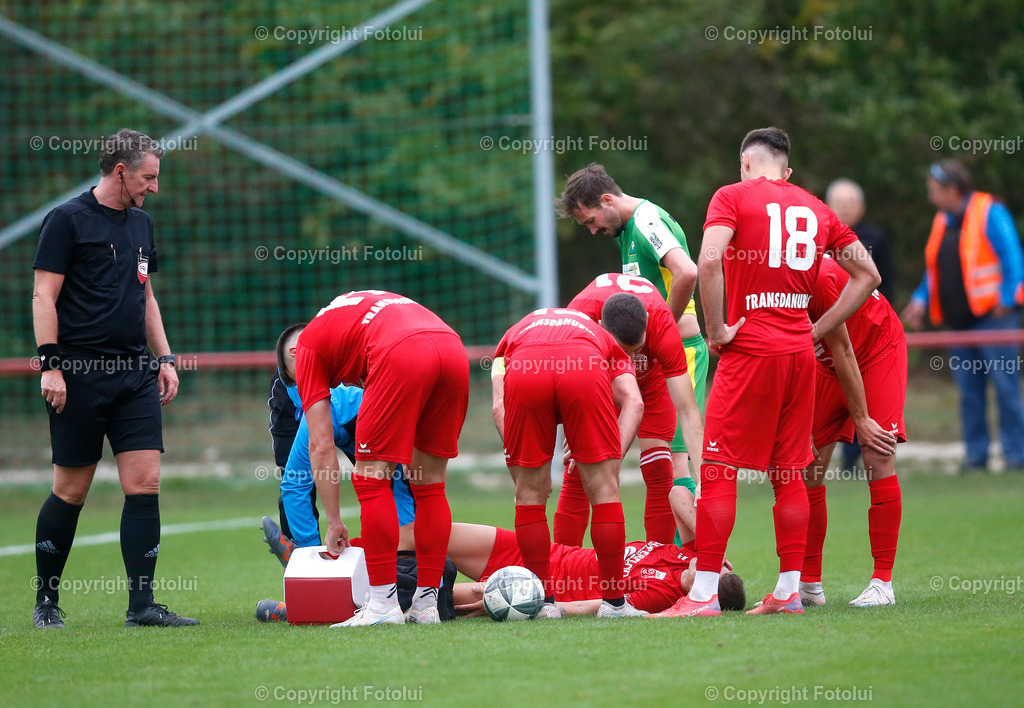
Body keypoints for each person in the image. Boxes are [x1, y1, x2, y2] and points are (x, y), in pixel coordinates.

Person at [662, 127, 880, 618]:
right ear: (787, 171)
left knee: (717, 466)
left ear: (744, 163)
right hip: (799, 355)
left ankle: (701, 598)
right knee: (789, 473)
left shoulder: (731, 196)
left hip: (751, 351)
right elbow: (869, 276)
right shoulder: (817, 208)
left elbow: (708, 260)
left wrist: (716, 330)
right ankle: (787, 592)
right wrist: (814, 328)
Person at [30, 128, 198, 628]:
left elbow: (145, 298)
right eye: (148, 177)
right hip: (78, 375)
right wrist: (51, 364)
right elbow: (44, 296)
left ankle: (142, 607)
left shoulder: (142, 224)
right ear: (120, 171)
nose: (154, 187)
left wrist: (165, 358)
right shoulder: (66, 219)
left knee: (144, 484)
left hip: (134, 375)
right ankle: (46, 602)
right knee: (71, 491)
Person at [294, 290, 468, 626]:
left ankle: (382, 606)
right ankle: (426, 605)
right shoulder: (350, 314)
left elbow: (321, 446)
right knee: (429, 483)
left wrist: (333, 521)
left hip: (402, 351)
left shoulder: (307, 347)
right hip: (452, 346)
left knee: (371, 478)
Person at [557, 165, 708, 490]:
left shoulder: (646, 221)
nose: (593, 231)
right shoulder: (628, 230)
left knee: (679, 458)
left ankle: (696, 541)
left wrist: (660, 332)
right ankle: (678, 542)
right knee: (665, 460)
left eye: (591, 222)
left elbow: (687, 272)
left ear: (608, 200)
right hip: (658, 354)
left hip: (681, 350)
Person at [492, 299, 645, 618]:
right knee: (604, 491)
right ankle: (615, 605)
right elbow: (634, 401)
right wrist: (610, 458)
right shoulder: (601, 336)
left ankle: (543, 605)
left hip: (525, 368)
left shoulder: (510, 336)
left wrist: (521, 467)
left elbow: (498, 408)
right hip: (584, 366)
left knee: (530, 497)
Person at [553, 273, 704, 545]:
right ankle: (564, 566)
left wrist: (704, 478)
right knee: (580, 468)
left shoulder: (662, 325)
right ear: (599, 327)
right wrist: (575, 425)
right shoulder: (579, 320)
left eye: (638, 350)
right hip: (600, 381)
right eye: (623, 352)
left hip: (653, 380)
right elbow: (565, 382)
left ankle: (656, 566)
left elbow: (688, 409)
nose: (631, 363)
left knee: (660, 468)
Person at [902, 160, 1024, 472]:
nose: (931, 198)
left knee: (1006, 388)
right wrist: (920, 299)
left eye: (934, 191)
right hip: (961, 324)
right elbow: (935, 272)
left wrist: (1007, 300)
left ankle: (1016, 456)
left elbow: (1013, 258)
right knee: (969, 394)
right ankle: (976, 456)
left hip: (994, 319)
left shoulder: (989, 211)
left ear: (952, 190)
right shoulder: (943, 221)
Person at [802, 256, 905, 608]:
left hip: (874, 350)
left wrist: (861, 418)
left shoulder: (815, 278)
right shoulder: (758, 276)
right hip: (827, 362)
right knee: (807, 466)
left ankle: (883, 584)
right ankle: (809, 584)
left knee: (876, 454)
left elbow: (844, 348)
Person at [263, 324, 415, 559]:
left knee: (389, 484)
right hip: (328, 413)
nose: (301, 382)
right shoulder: (287, 391)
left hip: (357, 411)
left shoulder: (358, 367)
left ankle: (400, 556)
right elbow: (297, 481)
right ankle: (306, 562)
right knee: (294, 482)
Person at [447, 522, 745, 616]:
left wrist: (535, 606)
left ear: (701, 592)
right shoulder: (686, 555)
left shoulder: (661, 594)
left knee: (434, 597)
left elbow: (596, 606)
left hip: (534, 588)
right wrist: (715, 547)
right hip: (547, 553)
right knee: (432, 534)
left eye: (713, 572)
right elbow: (678, 495)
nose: (708, 564)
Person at [826, 178, 897, 470]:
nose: (844, 209)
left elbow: (884, 283)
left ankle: (865, 454)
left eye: (850, 204)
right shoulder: (819, 237)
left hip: (866, 329)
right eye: (839, 204)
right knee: (833, 392)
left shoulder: (875, 238)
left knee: (865, 393)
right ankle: (838, 456)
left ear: (862, 207)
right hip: (831, 327)